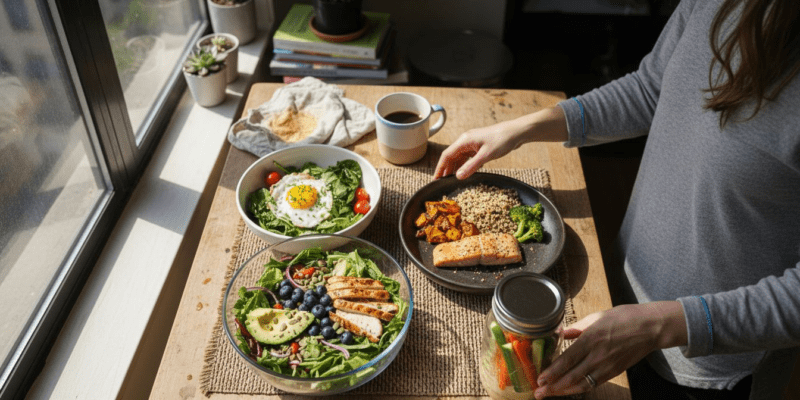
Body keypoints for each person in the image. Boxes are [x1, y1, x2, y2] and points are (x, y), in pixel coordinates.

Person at [434, 0, 800, 398]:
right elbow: (651, 89)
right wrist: (526, 127)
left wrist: (662, 324)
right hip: (614, 300)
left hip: (710, 366)